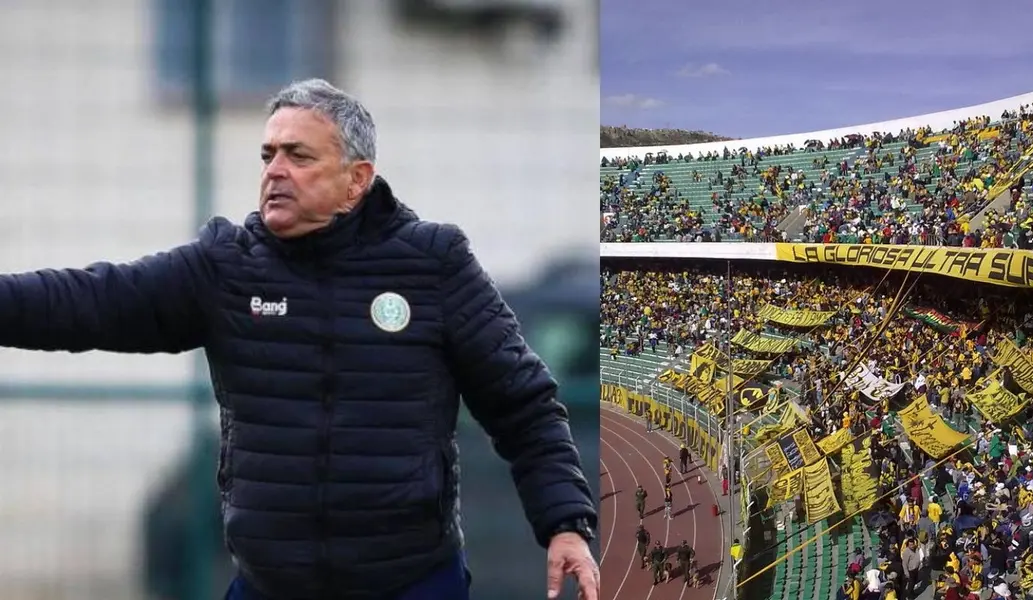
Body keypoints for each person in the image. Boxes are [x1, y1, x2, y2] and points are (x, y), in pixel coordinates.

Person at [0, 79, 599, 600]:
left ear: (356, 180)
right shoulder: (227, 268)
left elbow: (523, 404)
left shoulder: (434, 265)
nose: (275, 171)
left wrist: (565, 522)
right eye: (267, 155)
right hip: (270, 584)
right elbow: (88, 300)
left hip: (409, 581)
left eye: (298, 155)